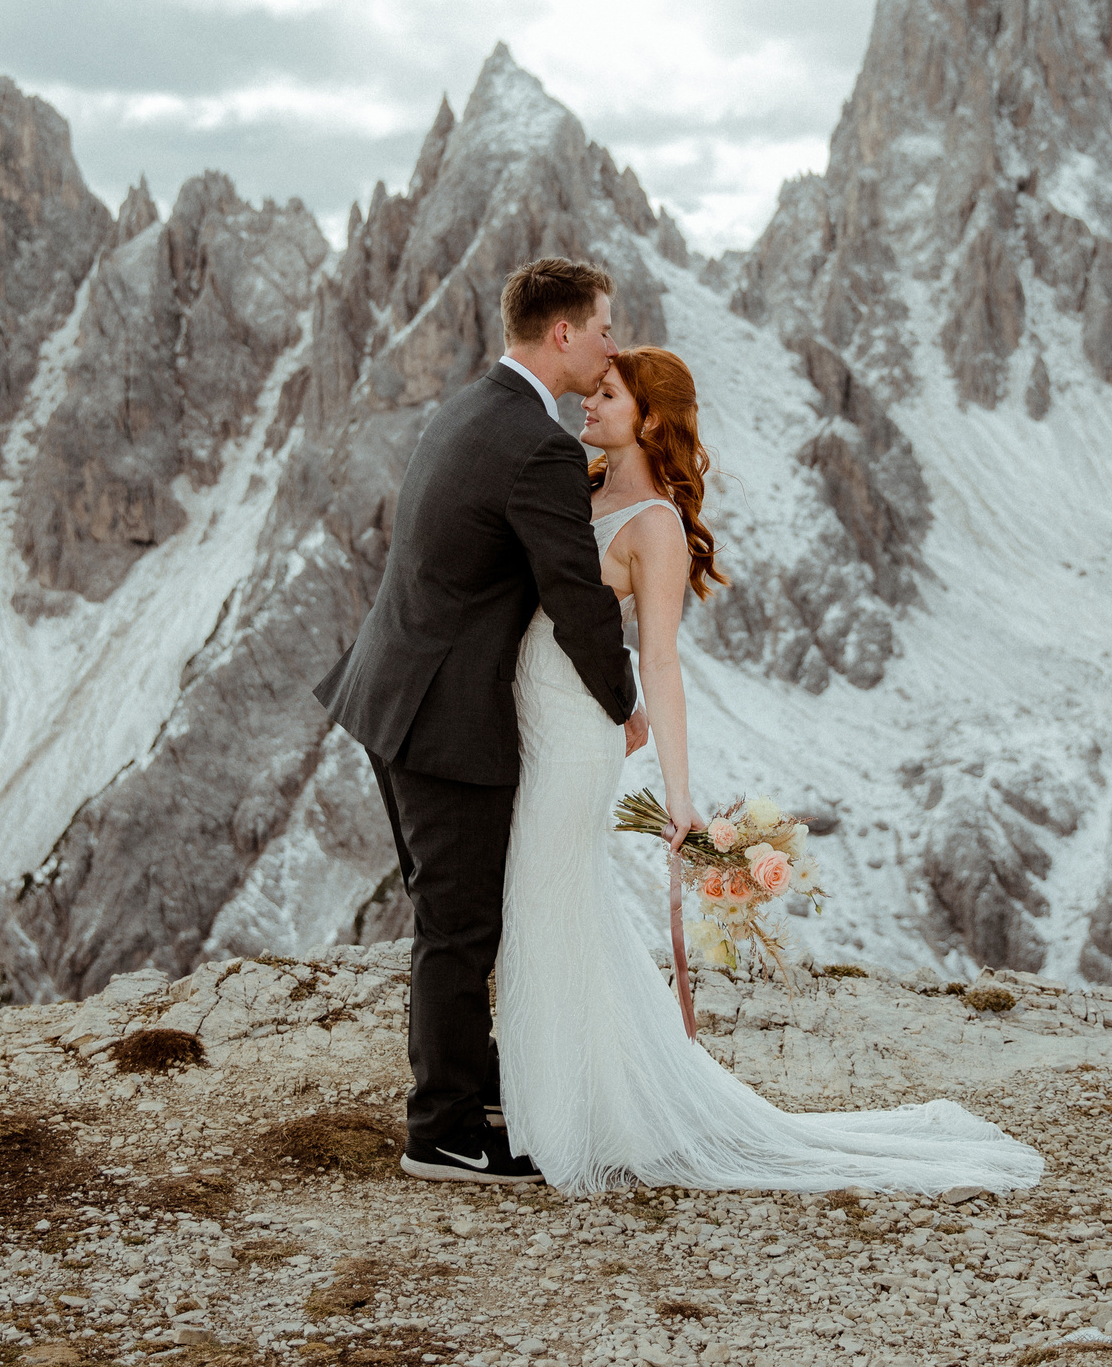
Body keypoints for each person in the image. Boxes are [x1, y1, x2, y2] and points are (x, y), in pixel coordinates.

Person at [491, 344, 1047, 1197]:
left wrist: (679, 797)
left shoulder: (656, 528)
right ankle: (565, 1097)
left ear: (650, 419)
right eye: (593, 389)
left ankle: (571, 1116)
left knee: (547, 894)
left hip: (575, 737)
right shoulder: (576, 486)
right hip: (532, 721)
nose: (588, 404)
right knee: (550, 904)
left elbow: (664, 664)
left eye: (607, 395)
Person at [313, 257, 645, 1183]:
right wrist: (625, 702)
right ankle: (445, 1131)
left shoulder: (471, 407)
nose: (614, 344)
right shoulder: (536, 442)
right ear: (564, 334)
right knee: (459, 926)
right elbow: (575, 594)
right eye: (606, 327)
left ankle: (472, 1079)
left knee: (448, 913)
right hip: (445, 720)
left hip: (392, 695)